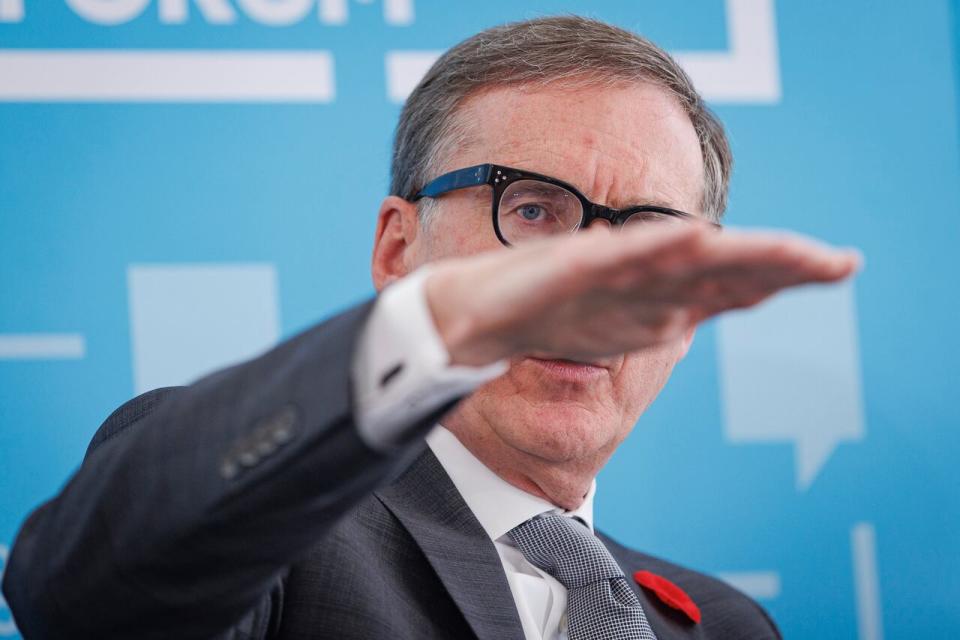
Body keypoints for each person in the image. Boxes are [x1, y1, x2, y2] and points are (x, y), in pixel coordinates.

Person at [2, 16, 858, 640]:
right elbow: (83, 598)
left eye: (646, 241)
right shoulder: (269, 526)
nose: (587, 283)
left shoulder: (723, 623)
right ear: (398, 248)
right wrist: (445, 328)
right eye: (532, 211)